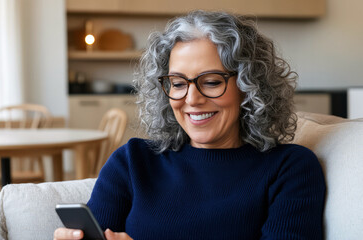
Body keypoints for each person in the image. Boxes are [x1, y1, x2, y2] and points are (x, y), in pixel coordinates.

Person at [54, 10, 325, 240]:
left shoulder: (290, 168)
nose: (191, 100)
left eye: (211, 82)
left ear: (249, 86)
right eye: (179, 83)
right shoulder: (132, 161)